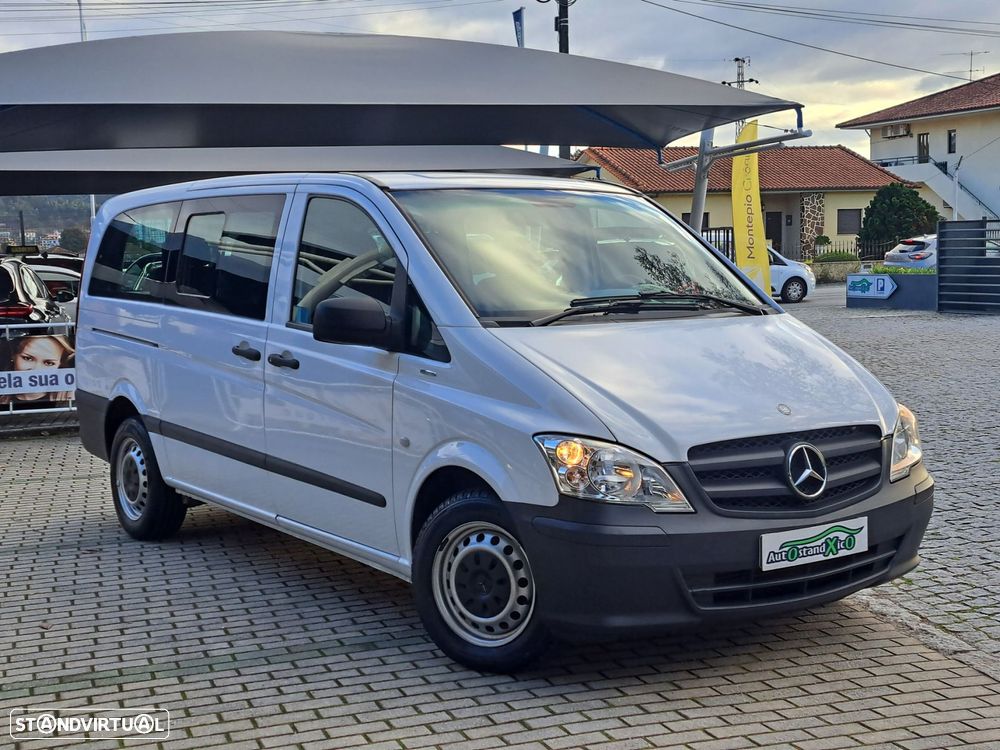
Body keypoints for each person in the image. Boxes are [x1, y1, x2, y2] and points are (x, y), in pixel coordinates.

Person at [0, 333, 75, 406]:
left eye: (49, 363)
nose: (36, 369)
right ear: (14, 356)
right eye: (27, 358)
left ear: (60, 366)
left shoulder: (70, 401)